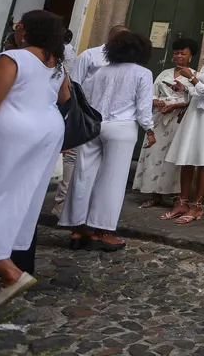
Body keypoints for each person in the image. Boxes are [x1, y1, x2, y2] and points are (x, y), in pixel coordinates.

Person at [0, 10, 70, 307]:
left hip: (15, 130)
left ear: (25, 30)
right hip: (49, 130)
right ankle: (9, 261)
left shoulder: (13, 57)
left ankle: (8, 268)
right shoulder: (56, 63)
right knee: (21, 194)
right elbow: (65, 98)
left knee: (2, 190)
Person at [59, 31, 154, 251]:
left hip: (95, 126)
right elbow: (143, 108)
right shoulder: (142, 73)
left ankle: (77, 228)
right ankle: (103, 231)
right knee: (112, 180)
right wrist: (149, 129)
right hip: (122, 128)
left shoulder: (100, 71)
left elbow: (86, 98)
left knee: (83, 175)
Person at [55, 24, 129, 217]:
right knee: (72, 159)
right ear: (112, 38)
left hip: (111, 120)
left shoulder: (129, 63)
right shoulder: (91, 56)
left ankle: (87, 207)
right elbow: (75, 84)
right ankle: (62, 203)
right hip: (86, 114)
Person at [162, 35, 204, 224]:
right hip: (195, 114)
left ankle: (197, 206)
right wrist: (184, 88)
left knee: (202, 160)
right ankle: (182, 202)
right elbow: (198, 91)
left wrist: (191, 77)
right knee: (186, 158)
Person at [134, 38, 197, 208]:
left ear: (190, 56)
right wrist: (157, 102)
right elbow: (152, 93)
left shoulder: (194, 75)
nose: (178, 56)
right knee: (154, 154)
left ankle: (177, 196)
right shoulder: (164, 74)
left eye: (183, 53)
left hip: (178, 120)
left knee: (174, 156)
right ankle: (154, 195)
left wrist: (175, 105)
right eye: (176, 53)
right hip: (160, 119)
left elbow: (194, 99)